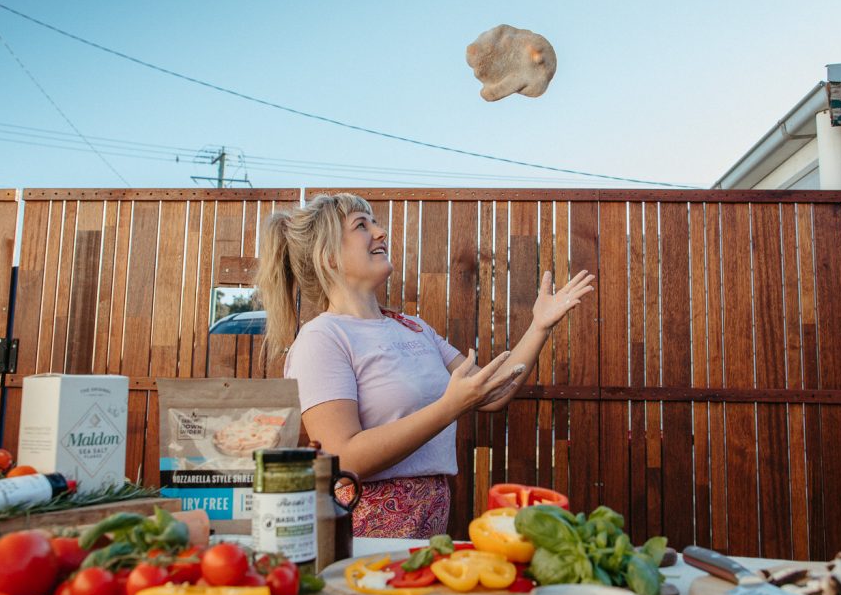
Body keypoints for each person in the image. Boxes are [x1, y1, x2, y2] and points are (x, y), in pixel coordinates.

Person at [255, 193, 594, 538]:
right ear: (328, 256)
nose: (381, 232)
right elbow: (343, 458)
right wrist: (449, 408)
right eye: (362, 225)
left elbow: (492, 393)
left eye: (375, 223)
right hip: (364, 530)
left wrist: (539, 327)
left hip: (430, 518)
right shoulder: (322, 338)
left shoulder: (413, 327)